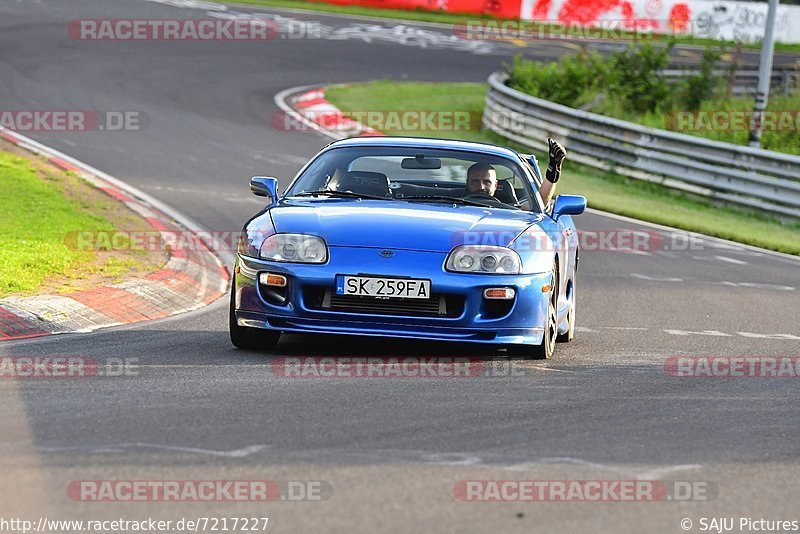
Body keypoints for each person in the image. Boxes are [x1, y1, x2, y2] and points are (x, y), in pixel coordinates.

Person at [465, 138, 567, 208]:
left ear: (496, 185)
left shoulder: (514, 211)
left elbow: (541, 201)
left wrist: (554, 167)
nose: (481, 187)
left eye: (487, 182)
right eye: (475, 181)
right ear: (467, 182)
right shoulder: (449, 204)